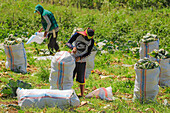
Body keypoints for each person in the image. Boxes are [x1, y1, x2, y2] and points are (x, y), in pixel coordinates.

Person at [66, 28, 95, 97]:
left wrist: (80, 57)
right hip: (72, 59)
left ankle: (82, 94)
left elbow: (88, 52)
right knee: (70, 76)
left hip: (82, 61)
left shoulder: (91, 41)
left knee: (81, 77)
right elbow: (68, 43)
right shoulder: (77, 35)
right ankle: (67, 92)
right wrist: (73, 47)